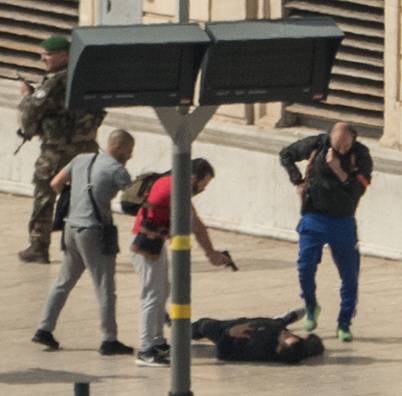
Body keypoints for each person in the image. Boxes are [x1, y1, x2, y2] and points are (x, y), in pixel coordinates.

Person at [32, 129, 135, 355]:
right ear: (118, 147)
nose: (130, 156)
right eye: (128, 151)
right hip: (95, 231)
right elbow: (134, 197)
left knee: (64, 281)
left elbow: (56, 182)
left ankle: (44, 328)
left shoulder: (81, 159)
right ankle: (109, 339)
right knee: (104, 286)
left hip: (71, 227)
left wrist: (72, 198)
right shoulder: (117, 169)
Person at [130, 158, 230, 367]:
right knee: (152, 295)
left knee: (160, 292)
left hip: (153, 242)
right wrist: (211, 253)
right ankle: (145, 350)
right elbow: (196, 225)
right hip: (145, 243)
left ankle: (156, 342)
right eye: (203, 183)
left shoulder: (173, 182)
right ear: (194, 176)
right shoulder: (177, 187)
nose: (202, 188)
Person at [279, 122, 373, 342]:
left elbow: (358, 189)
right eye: (337, 145)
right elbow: (286, 154)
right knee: (305, 265)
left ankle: (344, 322)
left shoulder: (360, 155)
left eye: (345, 147)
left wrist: (339, 169)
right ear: (330, 137)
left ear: (353, 141)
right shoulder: (317, 144)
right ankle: (311, 305)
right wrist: (297, 180)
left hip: (343, 221)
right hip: (314, 217)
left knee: (349, 274)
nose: (340, 150)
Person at [17, 35, 106, 264]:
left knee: (44, 194)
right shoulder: (88, 77)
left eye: (48, 54)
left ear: (64, 55)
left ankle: (38, 246)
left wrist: (26, 97)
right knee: (86, 198)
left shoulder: (55, 82)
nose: (43, 58)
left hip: (58, 150)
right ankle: (88, 246)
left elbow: (31, 114)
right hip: (87, 148)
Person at [191, 308, 325, 364]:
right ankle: (283, 319)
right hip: (267, 324)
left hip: (231, 330)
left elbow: (223, 354)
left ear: (278, 348)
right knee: (278, 325)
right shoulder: (298, 348)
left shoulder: (257, 349)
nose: (288, 333)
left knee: (204, 325)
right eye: (292, 335)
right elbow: (315, 344)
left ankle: (181, 331)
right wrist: (308, 341)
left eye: (285, 337)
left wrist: (229, 333)